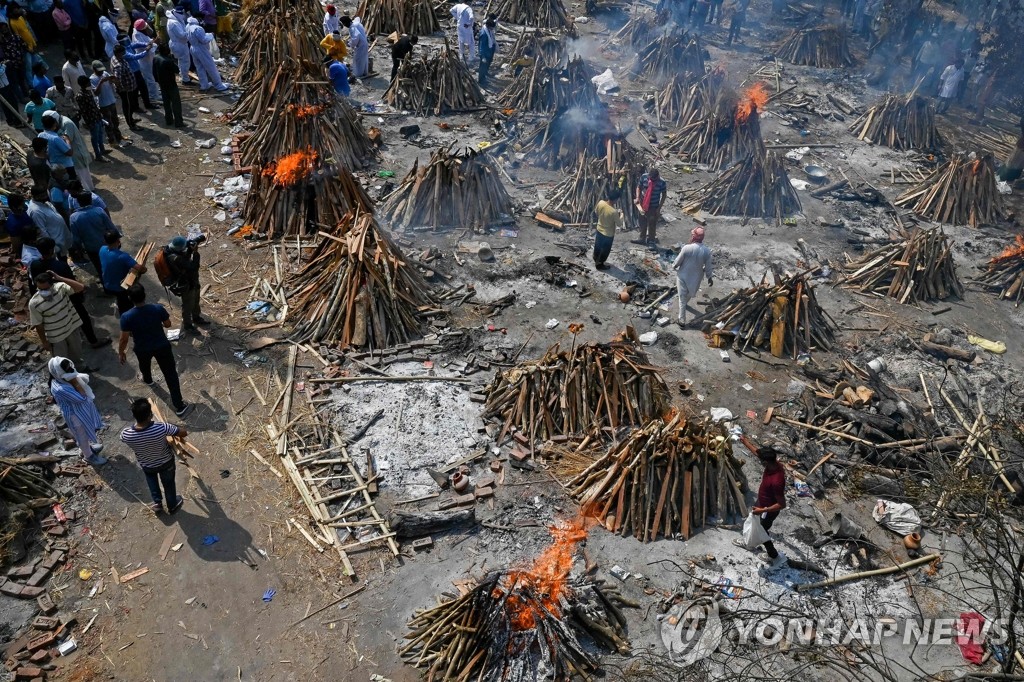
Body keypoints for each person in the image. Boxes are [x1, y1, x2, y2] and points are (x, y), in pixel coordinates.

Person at [118, 285, 191, 417]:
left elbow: (124, 338)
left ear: (130, 298)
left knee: (144, 364)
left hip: (142, 348)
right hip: (161, 346)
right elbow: (168, 324)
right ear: (144, 295)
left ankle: (148, 379)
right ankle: (179, 406)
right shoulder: (157, 308)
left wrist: (121, 352)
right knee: (170, 374)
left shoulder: (126, 317)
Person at [30, 236, 110, 348]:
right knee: (84, 317)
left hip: (47, 301)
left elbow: (33, 282)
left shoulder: (35, 265)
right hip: (67, 297)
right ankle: (93, 341)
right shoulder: (60, 266)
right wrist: (79, 296)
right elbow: (71, 283)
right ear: (51, 250)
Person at [120, 397, 187, 513]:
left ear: (134, 416)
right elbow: (183, 433)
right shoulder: (161, 427)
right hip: (166, 462)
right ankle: (172, 504)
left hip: (147, 464)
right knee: (168, 483)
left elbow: (122, 438)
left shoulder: (126, 434)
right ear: (150, 415)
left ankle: (157, 503)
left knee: (152, 481)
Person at [48, 356, 107, 465]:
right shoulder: (61, 389)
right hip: (75, 416)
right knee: (81, 436)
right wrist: (75, 383)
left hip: (80, 412)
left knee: (84, 432)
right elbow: (81, 398)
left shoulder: (59, 379)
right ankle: (88, 456)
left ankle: (87, 448)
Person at [29, 270, 89, 366]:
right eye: (40, 289)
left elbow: (80, 287)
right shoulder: (34, 303)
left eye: (46, 289)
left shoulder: (60, 288)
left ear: (52, 285)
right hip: (56, 337)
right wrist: (44, 342)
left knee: (77, 354)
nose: (43, 292)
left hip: (71, 328)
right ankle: (66, 378)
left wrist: (60, 278)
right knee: (61, 361)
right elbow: (38, 324)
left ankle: (79, 371)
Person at [741, 444, 786, 564]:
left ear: (765, 462)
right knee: (754, 524)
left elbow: (782, 504)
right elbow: (757, 452)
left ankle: (774, 555)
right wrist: (743, 439)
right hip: (762, 501)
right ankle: (748, 542)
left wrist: (762, 510)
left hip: (768, 509)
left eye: (761, 460)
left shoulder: (777, 480)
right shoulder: (773, 463)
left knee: (762, 530)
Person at [671, 226, 713, 324]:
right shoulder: (706, 251)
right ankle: (685, 305)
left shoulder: (687, 248)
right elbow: (708, 266)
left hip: (683, 276)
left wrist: (674, 266)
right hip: (696, 278)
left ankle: (681, 320)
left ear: (694, 236)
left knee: (682, 298)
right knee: (689, 294)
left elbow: (678, 261)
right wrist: (709, 277)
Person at [164, 235, 206, 330]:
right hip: (185, 283)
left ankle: (196, 317)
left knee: (195, 300)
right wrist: (195, 253)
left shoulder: (173, 249)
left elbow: (185, 258)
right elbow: (193, 267)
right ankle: (188, 325)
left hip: (192, 281)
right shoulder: (174, 257)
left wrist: (190, 249)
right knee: (188, 305)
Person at [100, 230, 145, 313]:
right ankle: (126, 314)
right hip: (120, 288)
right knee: (125, 306)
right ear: (118, 241)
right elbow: (140, 268)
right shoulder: (123, 256)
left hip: (106, 283)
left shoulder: (102, 249)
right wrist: (144, 269)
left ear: (105, 241)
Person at [45, 109, 92, 189]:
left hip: (76, 153)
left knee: (83, 176)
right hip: (69, 156)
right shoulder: (58, 125)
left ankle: (89, 191)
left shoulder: (66, 123)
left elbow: (68, 139)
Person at [70, 191, 115, 274]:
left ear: (78, 202)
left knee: (99, 267)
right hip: (106, 245)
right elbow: (110, 227)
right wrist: (116, 239)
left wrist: (78, 249)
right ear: (90, 200)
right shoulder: (99, 211)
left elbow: (76, 238)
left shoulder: (74, 217)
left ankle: (104, 281)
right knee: (112, 264)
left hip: (91, 248)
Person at [90, 59, 126, 147]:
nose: (101, 72)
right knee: (108, 124)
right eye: (99, 71)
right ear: (94, 69)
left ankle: (118, 136)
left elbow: (114, 82)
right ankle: (112, 140)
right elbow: (96, 93)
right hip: (104, 105)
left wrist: (114, 79)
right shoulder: (92, 79)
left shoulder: (105, 73)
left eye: (102, 70)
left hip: (112, 101)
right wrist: (101, 82)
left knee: (115, 121)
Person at [28, 185, 72, 255]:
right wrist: (52, 246)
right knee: (62, 259)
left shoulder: (44, 202)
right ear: (36, 196)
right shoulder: (36, 211)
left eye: (45, 194)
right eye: (43, 195)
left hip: (61, 236)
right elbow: (42, 230)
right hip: (56, 242)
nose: (46, 196)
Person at [185, 17, 227, 91]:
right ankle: (219, 85)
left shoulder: (187, 27)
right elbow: (203, 40)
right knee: (211, 67)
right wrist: (210, 35)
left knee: (199, 67)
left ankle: (204, 85)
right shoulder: (197, 28)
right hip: (201, 49)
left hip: (193, 48)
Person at [75, 73, 108, 159]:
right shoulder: (80, 96)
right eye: (88, 82)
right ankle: (98, 155)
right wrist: (88, 122)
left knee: (100, 134)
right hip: (91, 120)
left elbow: (93, 105)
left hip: (97, 117)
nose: (89, 83)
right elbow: (83, 111)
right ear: (85, 83)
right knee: (95, 137)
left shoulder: (88, 92)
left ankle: (102, 150)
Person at [39, 111, 78, 181]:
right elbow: (69, 153)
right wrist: (67, 140)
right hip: (66, 167)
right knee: (72, 184)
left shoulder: (40, 135)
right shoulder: (55, 138)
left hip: (53, 166)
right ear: (54, 125)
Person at [110, 43, 142, 129]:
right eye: (122, 52)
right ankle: (131, 124)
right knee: (128, 106)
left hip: (129, 87)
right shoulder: (118, 66)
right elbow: (117, 79)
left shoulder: (115, 58)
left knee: (130, 105)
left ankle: (131, 119)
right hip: (126, 90)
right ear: (118, 53)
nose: (124, 53)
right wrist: (122, 88)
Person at [153, 42, 183, 127]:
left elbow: (154, 72)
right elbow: (177, 70)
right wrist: (172, 60)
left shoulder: (155, 58)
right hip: (171, 85)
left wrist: (157, 80)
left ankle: (169, 120)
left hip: (162, 84)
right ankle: (179, 122)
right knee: (176, 104)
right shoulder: (167, 61)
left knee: (166, 104)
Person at [634, 168, 667, 245]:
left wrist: (659, 208)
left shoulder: (662, 182)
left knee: (652, 223)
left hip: (653, 206)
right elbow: (639, 187)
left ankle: (651, 241)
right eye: (650, 178)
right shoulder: (644, 177)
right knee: (642, 221)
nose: (651, 180)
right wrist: (637, 197)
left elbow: (664, 195)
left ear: (657, 177)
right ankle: (642, 238)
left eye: (653, 179)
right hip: (642, 204)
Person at [130, 22, 160, 104]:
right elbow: (147, 49)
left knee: (149, 77)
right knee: (150, 78)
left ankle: (154, 92)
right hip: (145, 59)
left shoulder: (138, 33)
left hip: (146, 59)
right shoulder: (138, 36)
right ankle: (153, 95)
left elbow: (147, 41)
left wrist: (152, 41)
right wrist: (155, 44)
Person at [593, 188, 620, 270]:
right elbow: (619, 223)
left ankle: (595, 257)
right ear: (615, 200)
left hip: (599, 229)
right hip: (608, 234)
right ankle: (600, 264)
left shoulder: (601, 203)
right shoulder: (614, 212)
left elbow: (596, 212)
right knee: (605, 250)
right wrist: (621, 215)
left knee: (598, 245)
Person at [165, 5, 192, 84]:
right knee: (185, 62)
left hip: (179, 43)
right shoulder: (174, 23)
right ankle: (185, 79)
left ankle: (183, 76)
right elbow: (181, 35)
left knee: (181, 61)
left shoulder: (175, 19)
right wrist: (189, 31)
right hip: (179, 44)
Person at [478, 17, 495, 87]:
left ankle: (484, 78)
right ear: (488, 26)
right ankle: (481, 81)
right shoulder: (484, 34)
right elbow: (481, 46)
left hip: (489, 51)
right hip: (485, 53)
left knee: (486, 66)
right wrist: (483, 57)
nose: (492, 29)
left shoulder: (489, 31)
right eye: (492, 28)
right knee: (483, 67)